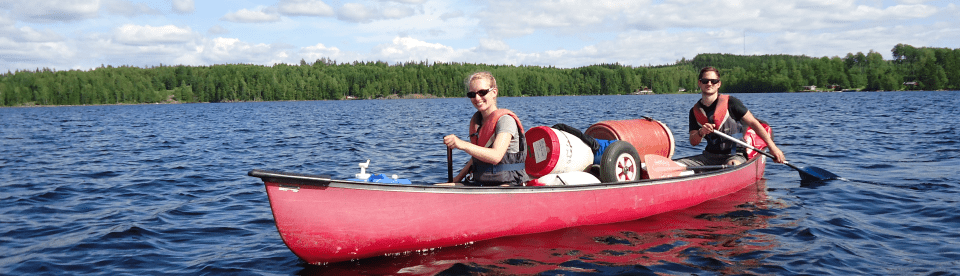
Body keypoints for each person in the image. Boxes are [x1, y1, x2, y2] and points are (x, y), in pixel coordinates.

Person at [676, 67, 786, 167]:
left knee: (731, 164)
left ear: (719, 84)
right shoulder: (694, 111)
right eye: (705, 81)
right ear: (700, 83)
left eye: (714, 81)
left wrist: (773, 148)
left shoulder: (732, 103)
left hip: (734, 154)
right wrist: (701, 132)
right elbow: (693, 142)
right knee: (674, 165)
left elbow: (754, 123)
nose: (709, 84)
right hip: (709, 157)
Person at [443, 72, 529, 186]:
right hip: (481, 182)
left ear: (494, 93)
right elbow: (476, 158)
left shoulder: (505, 121)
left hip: (508, 183)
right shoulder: (478, 122)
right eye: (472, 94)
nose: (477, 98)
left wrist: (462, 144)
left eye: (482, 92)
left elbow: (496, 156)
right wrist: (456, 180)